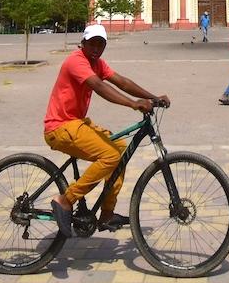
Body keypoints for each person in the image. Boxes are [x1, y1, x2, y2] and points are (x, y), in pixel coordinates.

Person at [44, 24, 170, 236]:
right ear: (82, 43)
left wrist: (153, 97)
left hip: (78, 123)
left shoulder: (97, 63)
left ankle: (107, 213)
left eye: (100, 44)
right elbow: (99, 87)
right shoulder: (76, 61)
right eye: (91, 43)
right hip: (60, 126)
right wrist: (132, 104)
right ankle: (65, 200)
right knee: (110, 155)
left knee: (120, 151)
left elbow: (122, 82)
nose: (95, 48)